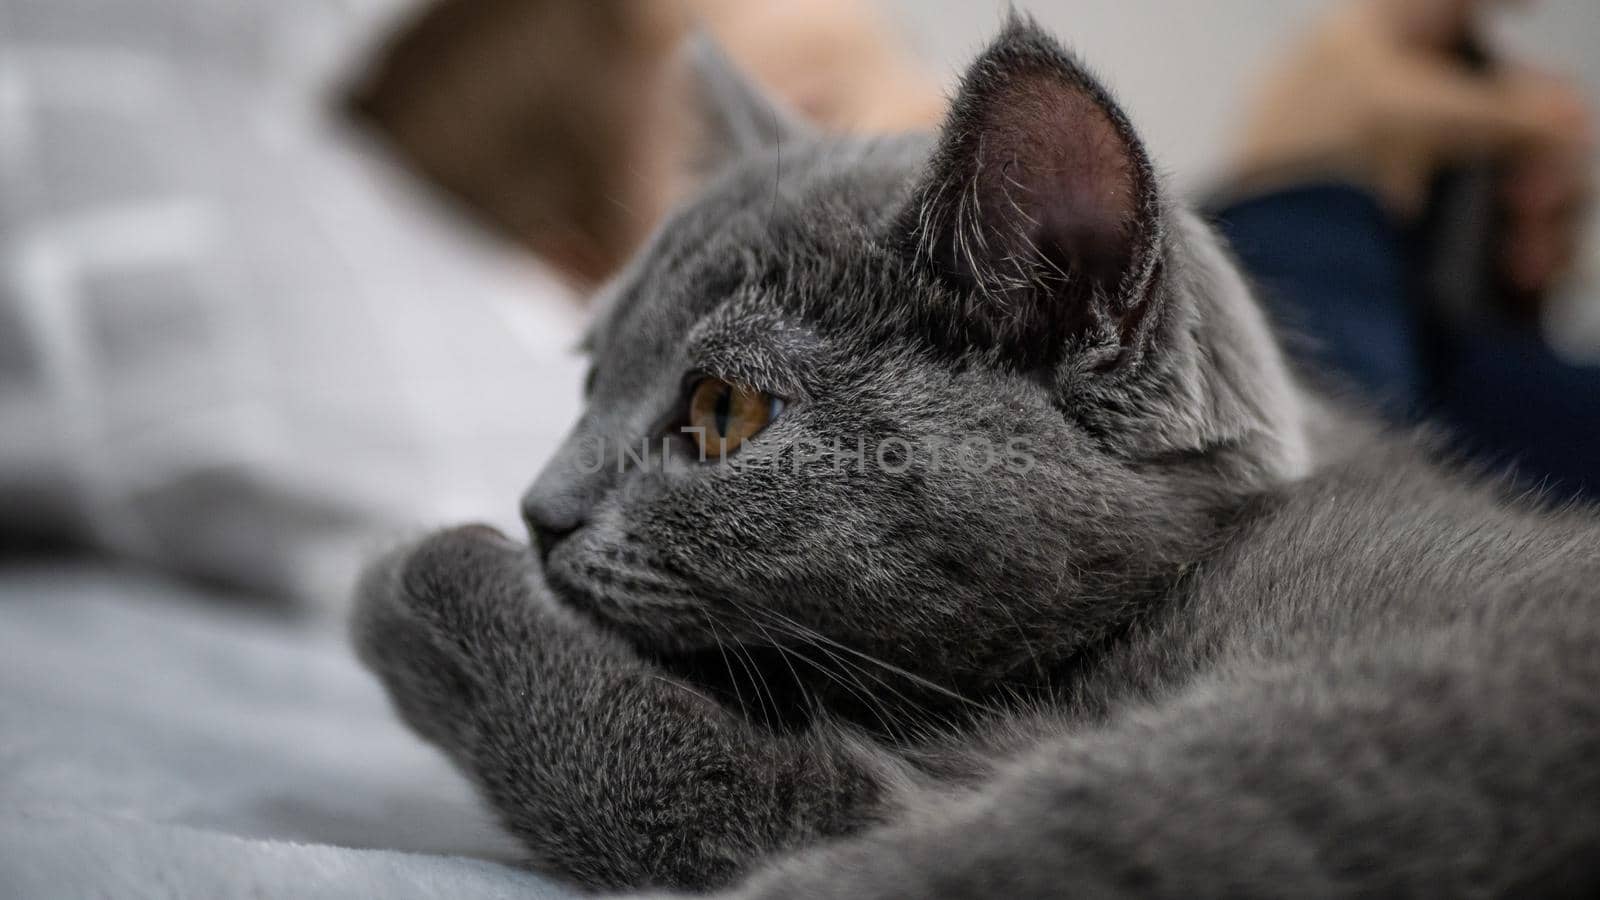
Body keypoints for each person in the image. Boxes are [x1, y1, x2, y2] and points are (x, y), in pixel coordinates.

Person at [1211, 0, 1598, 498]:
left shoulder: (1472, 68)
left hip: (1430, 338)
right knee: (1338, 479)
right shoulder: (1359, 34)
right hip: (1307, 241)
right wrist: (1527, 118)